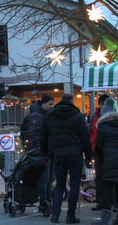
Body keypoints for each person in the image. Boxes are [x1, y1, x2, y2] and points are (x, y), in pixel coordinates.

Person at [40, 94, 92, 224]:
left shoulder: (51, 115)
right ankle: (70, 216)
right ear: (71, 101)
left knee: (59, 184)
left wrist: (45, 151)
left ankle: (55, 214)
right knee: (74, 185)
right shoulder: (77, 116)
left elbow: (43, 134)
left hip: (58, 152)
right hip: (75, 153)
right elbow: (85, 136)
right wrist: (89, 156)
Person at [92, 98, 118, 224]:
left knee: (108, 190)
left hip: (108, 159)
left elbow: (98, 146)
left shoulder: (103, 127)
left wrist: (102, 158)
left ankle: (105, 218)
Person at [27, 93, 54, 204]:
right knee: (44, 178)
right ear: (43, 104)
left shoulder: (45, 115)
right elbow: (35, 135)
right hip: (43, 151)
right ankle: (44, 200)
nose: (52, 106)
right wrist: (42, 147)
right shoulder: (37, 116)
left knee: (49, 178)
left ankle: (47, 200)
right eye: (50, 104)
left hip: (48, 150)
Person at [89, 94, 110, 211]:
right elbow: (91, 132)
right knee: (99, 177)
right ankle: (100, 201)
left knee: (108, 177)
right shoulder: (94, 117)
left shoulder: (111, 117)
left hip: (108, 151)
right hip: (97, 150)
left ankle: (109, 202)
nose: (104, 106)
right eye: (102, 104)